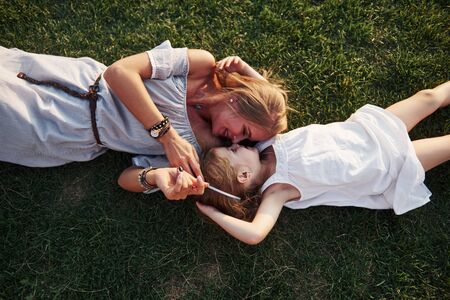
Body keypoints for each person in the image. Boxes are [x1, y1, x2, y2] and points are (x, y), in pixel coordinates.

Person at [0, 41, 288, 199]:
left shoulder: (202, 150)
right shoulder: (200, 65)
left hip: (66, 133)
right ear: (240, 100)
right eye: (245, 130)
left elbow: (125, 179)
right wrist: (166, 136)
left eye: (245, 141)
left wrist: (157, 178)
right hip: (68, 78)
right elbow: (119, 73)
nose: (235, 139)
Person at [196, 81, 450, 245]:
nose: (238, 143)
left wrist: (241, 70)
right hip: (385, 164)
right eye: (232, 149)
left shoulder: (265, 143)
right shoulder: (277, 190)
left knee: (428, 97)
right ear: (243, 176)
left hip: (368, 131)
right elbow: (255, 234)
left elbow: (265, 105)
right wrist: (214, 213)